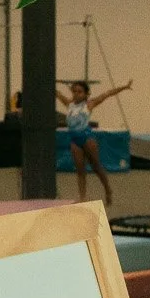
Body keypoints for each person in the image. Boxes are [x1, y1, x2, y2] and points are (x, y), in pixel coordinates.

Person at [57, 76, 132, 207]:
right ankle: (82, 197)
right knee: (80, 170)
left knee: (96, 166)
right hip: (74, 139)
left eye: (79, 92)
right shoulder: (69, 104)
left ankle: (108, 189)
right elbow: (56, 93)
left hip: (87, 138)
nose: (76, 94)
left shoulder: (89, 104)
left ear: (86, 94)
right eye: (74, 91)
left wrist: (124, 87)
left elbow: (107, 94)